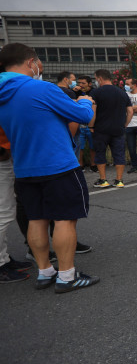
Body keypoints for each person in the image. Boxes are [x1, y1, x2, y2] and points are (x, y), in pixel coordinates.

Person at [0, 43, 99, 293]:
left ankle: (45, 271)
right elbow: (82, 116)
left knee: (36, 219)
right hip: (57, 164)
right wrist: (86, 101)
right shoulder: (41, 88)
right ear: (31, 62)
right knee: (65, 219)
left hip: (24, 167)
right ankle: (67, 276)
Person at [90, 69, 133, 188]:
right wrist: (124, 124)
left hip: (101, 129)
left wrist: (91, 126)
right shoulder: (122, 93)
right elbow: (130, 111)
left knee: (100, 153)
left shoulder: (96, 92)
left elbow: (93, 111)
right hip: (118, 129)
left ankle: (103, 180)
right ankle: (119, 180)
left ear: (99, 78)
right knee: (119, 154)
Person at [0, 132, 33, 283]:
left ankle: (4, 259)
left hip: (6, 154)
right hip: (2, 156)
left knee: (5, 212)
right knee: (3, 214)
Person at [75, 75, 97, 172]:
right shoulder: (76, 92)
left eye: (83, 83)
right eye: (79, 83)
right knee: (80, 146)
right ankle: (80, 165)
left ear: (89, 84)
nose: (81, 85)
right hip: (80, 124)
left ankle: (93, 164)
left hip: (91, 124)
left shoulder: (94, 92)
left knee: (93, 146)